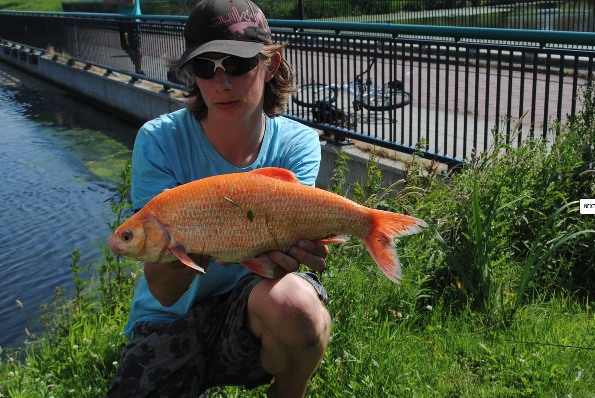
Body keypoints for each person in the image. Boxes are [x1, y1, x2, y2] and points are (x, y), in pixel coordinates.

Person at [105, 0, 331, 397]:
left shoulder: (299, 143)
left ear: (271, 65)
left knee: (299, 305)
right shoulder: (157, 140)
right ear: (192, 73)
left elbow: (279, 265)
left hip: (255, 297)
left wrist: (296, 254)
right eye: (206, 67)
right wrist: (195, 242)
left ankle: (289, 389)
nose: (221, 83)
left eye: (238, 64)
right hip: (168, 315)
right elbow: (164, 291)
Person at [103, 0, 143, 77]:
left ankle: (138, 73)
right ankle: (139, 71)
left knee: (135, 47)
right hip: (123, 19)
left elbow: (131, 3)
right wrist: (110, 3)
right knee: (126, 47)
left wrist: (113, 2)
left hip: (132, 19)